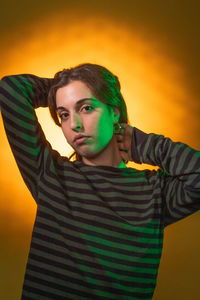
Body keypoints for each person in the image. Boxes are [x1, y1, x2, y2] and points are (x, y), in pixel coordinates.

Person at [0, 63, 199, 300]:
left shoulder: (155, 191)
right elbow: (10, 89)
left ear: (114, 112)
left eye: (85, 108)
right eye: (64, 114)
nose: (74, 124)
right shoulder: (50, 175)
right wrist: (63, 87)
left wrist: (141, 144)